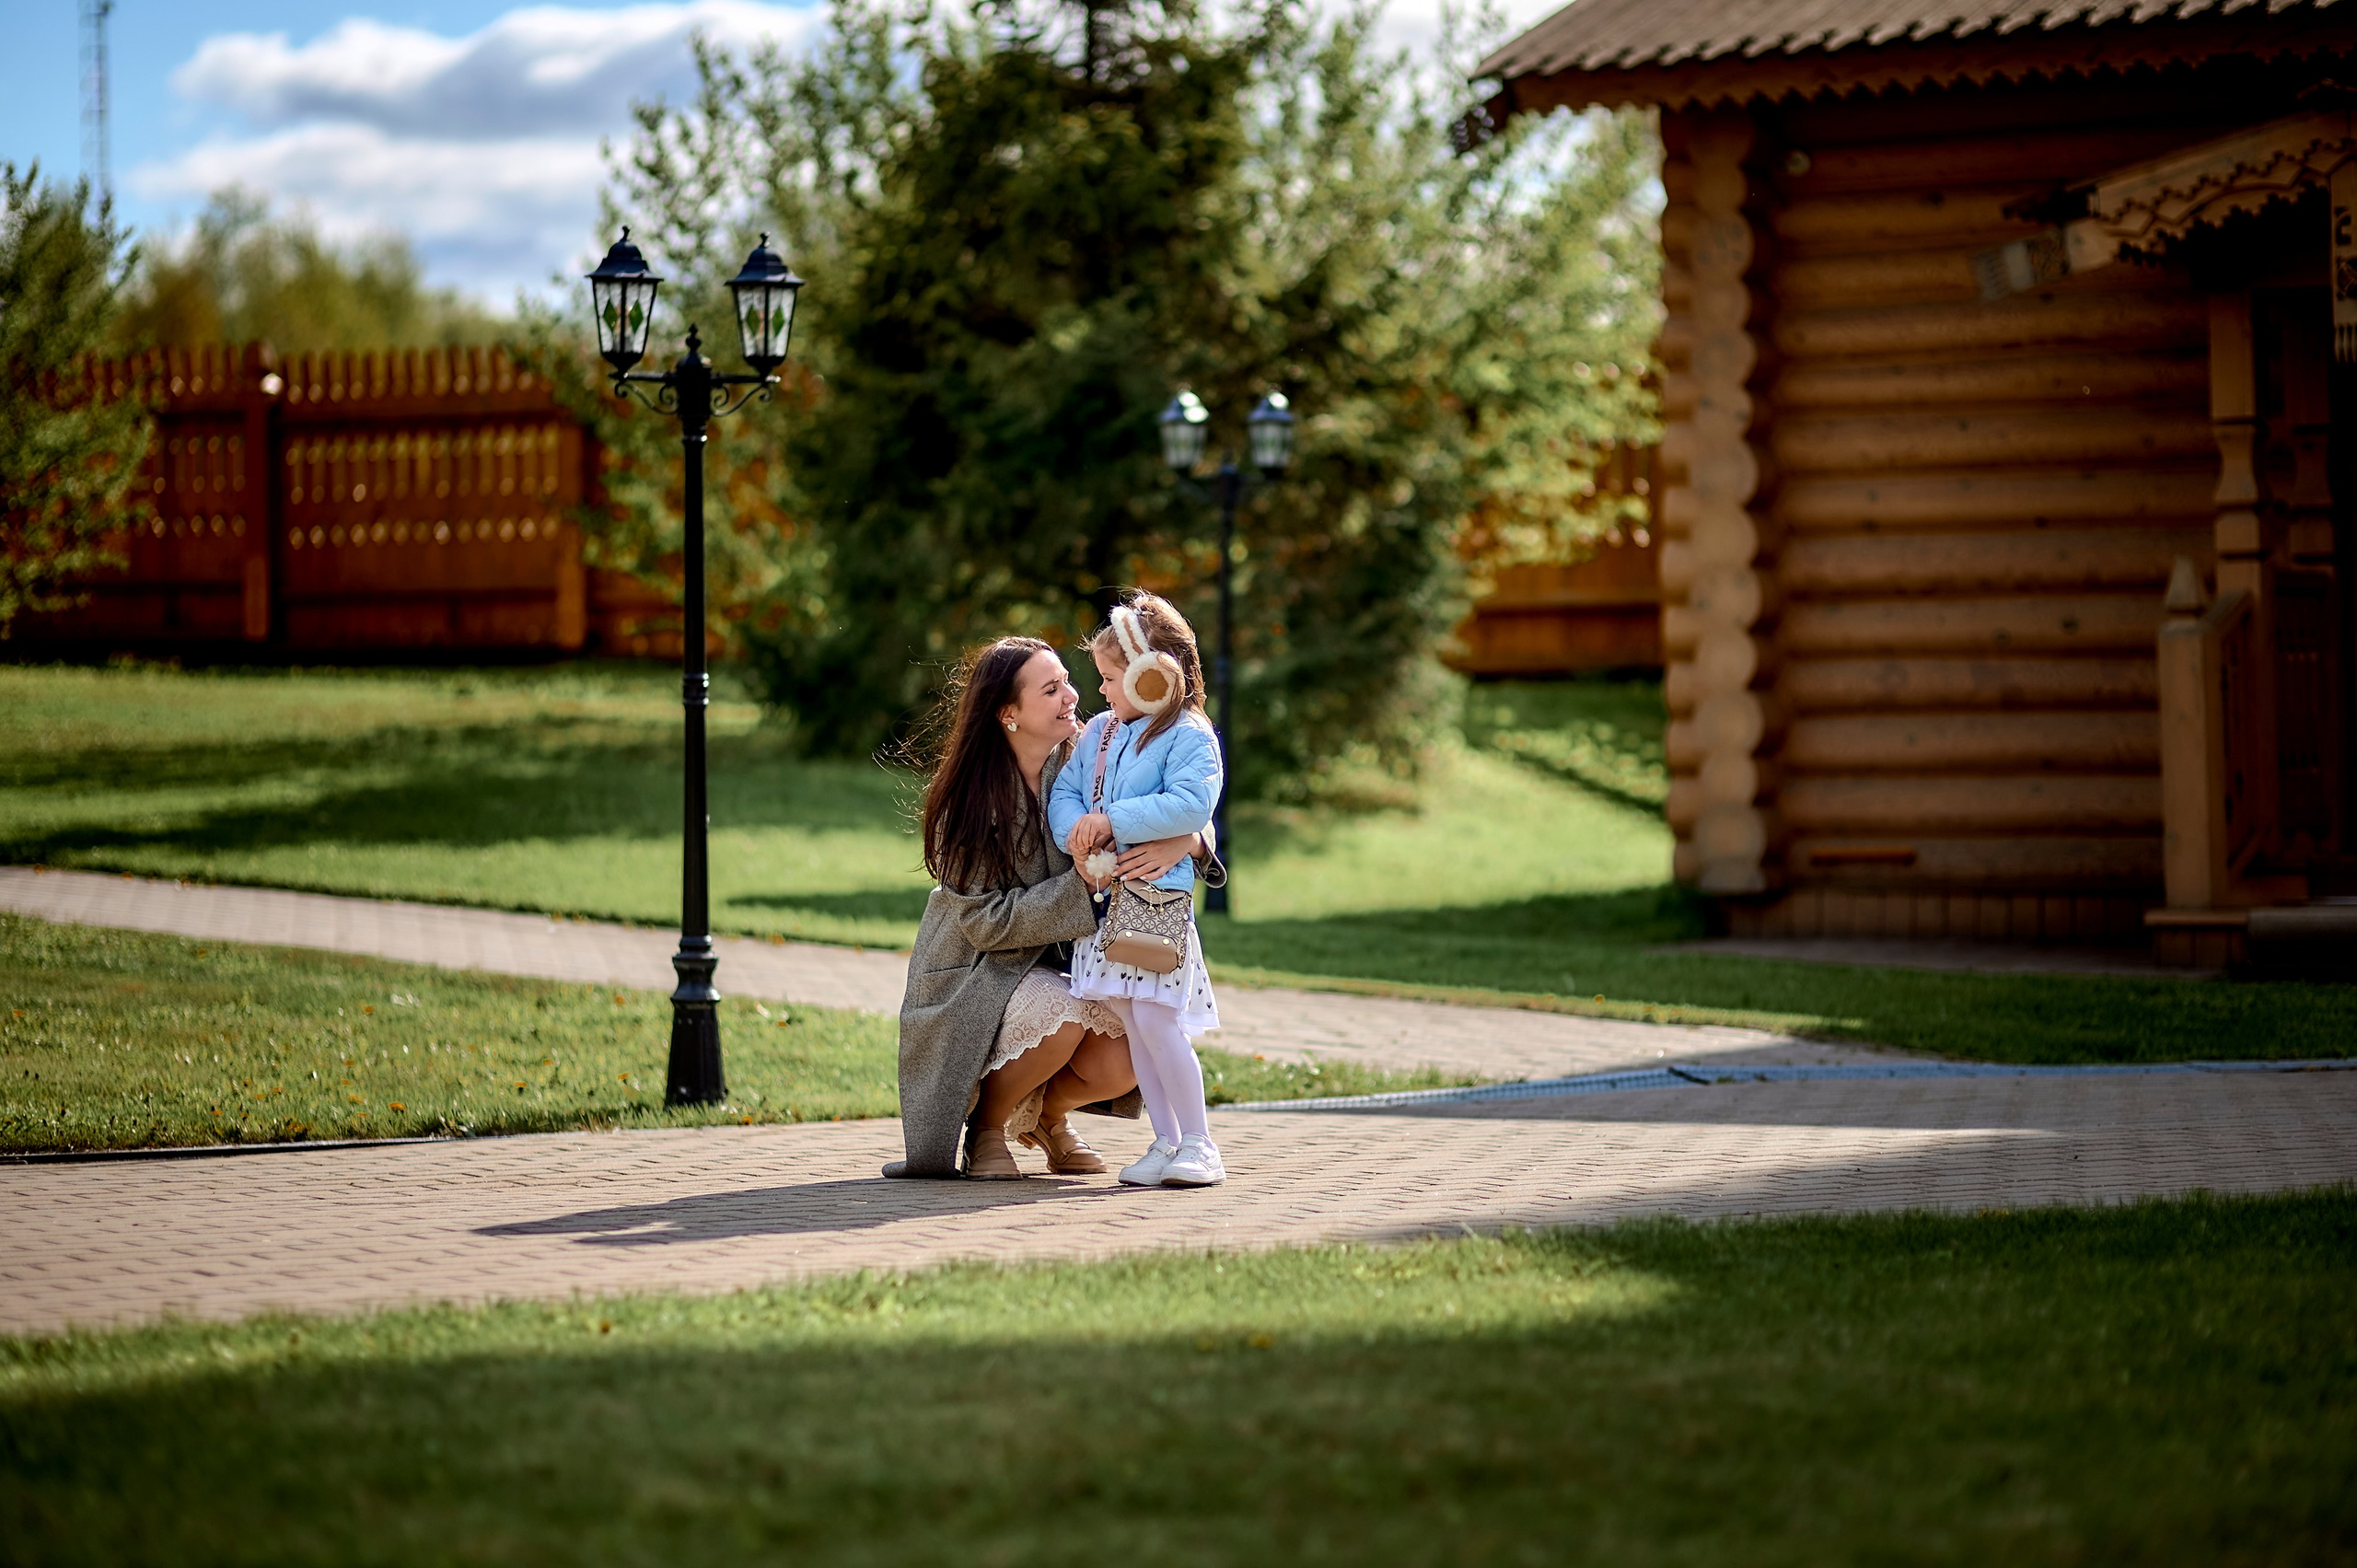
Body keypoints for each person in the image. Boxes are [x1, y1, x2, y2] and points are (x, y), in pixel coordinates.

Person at [884, 635, 1209, 1180]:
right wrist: (1081, 887)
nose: (1073, 696)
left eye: (1068, 682)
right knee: (1060, 1012)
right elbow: (985, 923)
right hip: (980, 969)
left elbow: (1177, 795)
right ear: (1008, 713)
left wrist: (1192, 841)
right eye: (1051, 689)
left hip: (1070, 957)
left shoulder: (1093, 750)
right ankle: (986, 1129)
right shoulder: (969, 799)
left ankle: (1046, 1119)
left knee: (1132, 1042)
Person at [1049, 592, 1229, 1188]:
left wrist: (1114, 820)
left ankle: (1200, 1143)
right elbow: (1067, 792)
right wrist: (1077, 831)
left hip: (1155, 902)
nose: (1100, 690)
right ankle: (1166, 1140)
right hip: (1109, 906)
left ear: (1152, 677)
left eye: (1109, 678)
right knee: (1133, 1018)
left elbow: (1191, 804)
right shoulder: (1102, 733)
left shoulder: (1189, 734)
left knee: (1156, 1020)